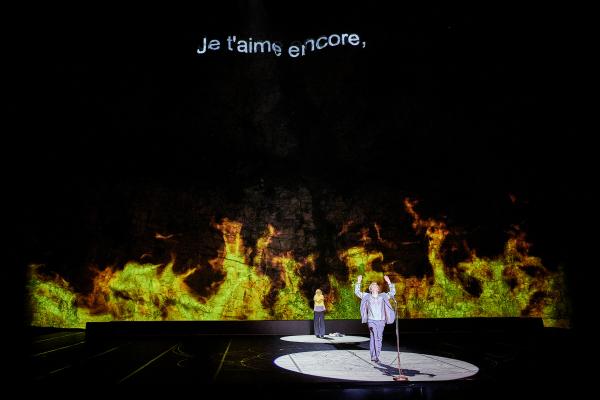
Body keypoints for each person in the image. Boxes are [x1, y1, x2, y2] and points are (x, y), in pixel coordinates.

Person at [354, 275, 396, 362]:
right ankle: (374, 356)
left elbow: (392, 293)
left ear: (378, 289)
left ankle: (376, 356)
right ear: (370, 289)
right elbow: (357, 292)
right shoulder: (367, 296)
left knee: (378, 338)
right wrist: (358, 281)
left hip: (381, 321)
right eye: (373, 285)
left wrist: (389, 282)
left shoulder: (383, 296)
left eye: (376, 285)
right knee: (374, 335)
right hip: (371, 320)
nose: (374, 286)